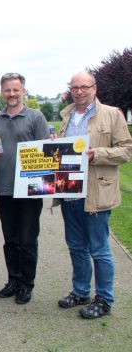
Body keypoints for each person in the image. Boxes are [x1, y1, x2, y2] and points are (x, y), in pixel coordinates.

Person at [54, 72, 132, 318]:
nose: (79, 91)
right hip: (69, 192)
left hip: (96, 192)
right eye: (74, 87)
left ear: (94, 88)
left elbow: (126, 150)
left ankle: (104, 299)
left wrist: (96, 153)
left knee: (99, 250)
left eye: (84, 87)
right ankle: (80, 292)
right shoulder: (66, 116)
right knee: (76, 247)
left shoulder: (111, 114)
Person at [0, 73, 49, 304]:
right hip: (4, 188)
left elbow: (46, 153)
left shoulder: (36, 117)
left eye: (16, 90)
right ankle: (13, 280)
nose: (11, 94)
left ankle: (26, 284)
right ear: (1, 92)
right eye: (7, 90)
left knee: (27, 239)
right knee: (10, 239)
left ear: (23, 91)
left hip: (30, 189)